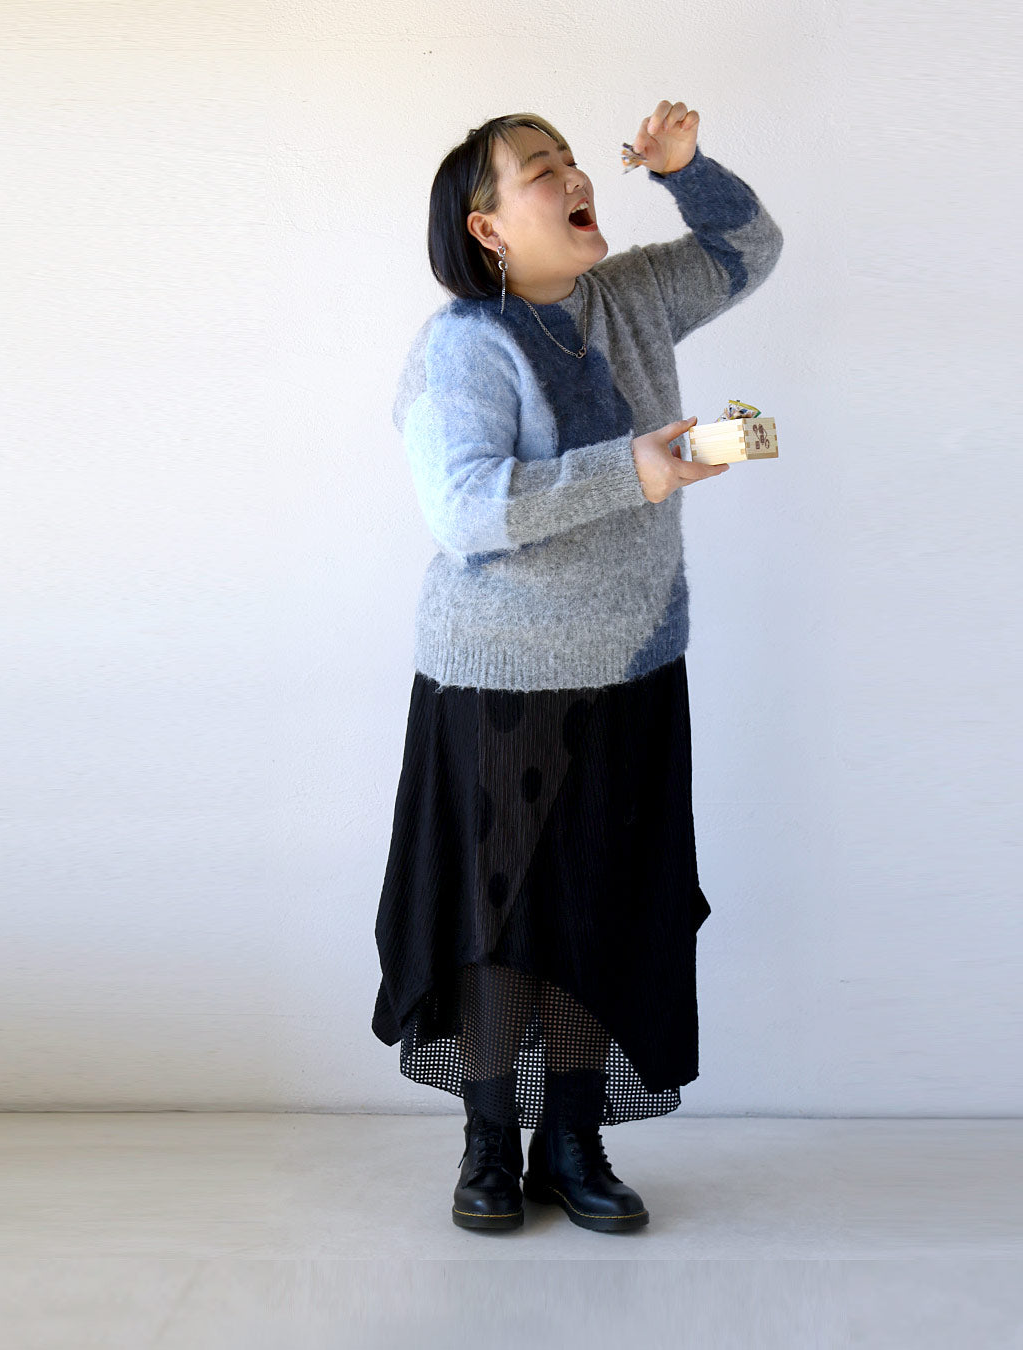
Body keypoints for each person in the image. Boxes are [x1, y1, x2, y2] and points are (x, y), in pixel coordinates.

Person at [372, 101, 783, 1233]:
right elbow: (464, 509)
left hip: (634, 667)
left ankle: (571, 1140)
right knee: (500, 928)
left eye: (569, 161)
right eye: (539, 171)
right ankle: (488, 1144)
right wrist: (631, 470)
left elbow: (751, 249)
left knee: (601, 912)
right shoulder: (463, 344)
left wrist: (688, 169)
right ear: (488, 227)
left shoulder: (635, 293)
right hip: (497, 683)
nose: (571, 178)